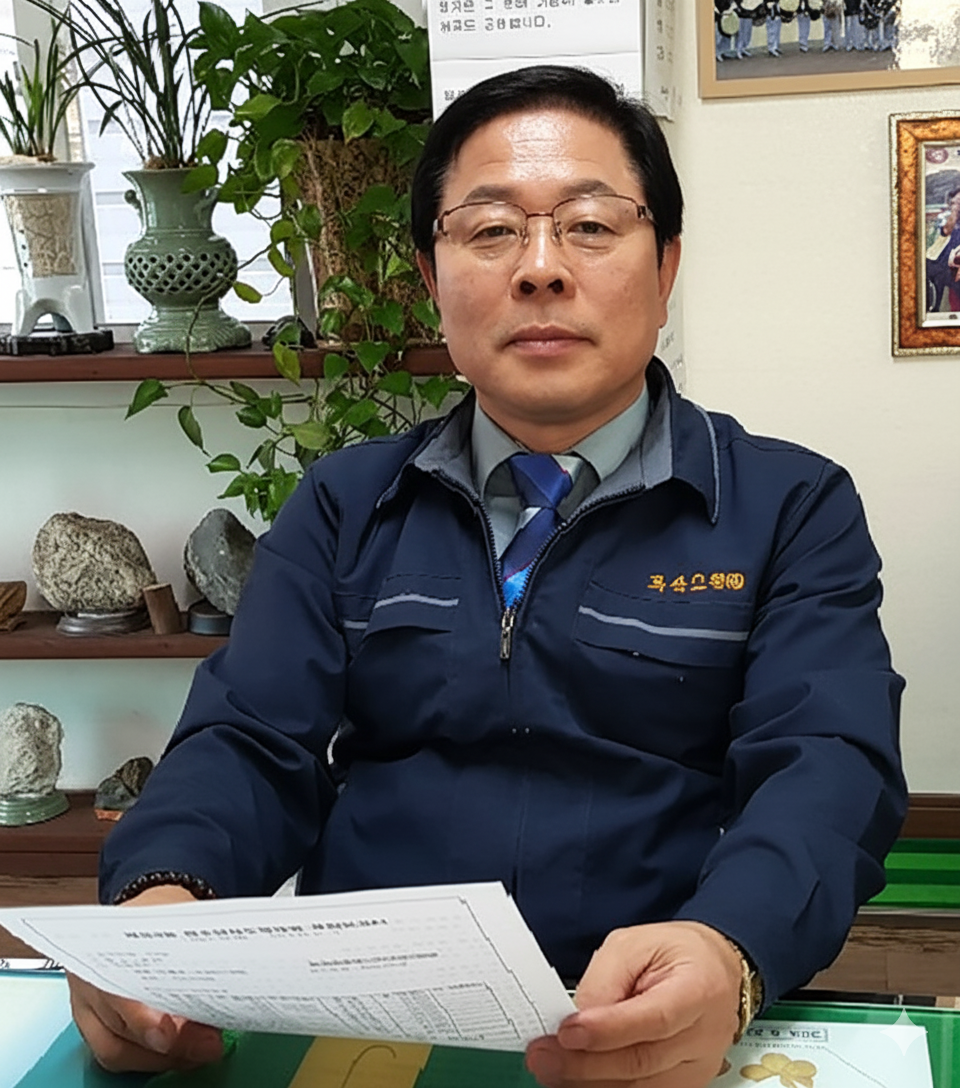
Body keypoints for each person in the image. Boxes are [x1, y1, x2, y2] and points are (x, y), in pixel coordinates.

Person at [69, 66, 907, 1088]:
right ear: (432, 278)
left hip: (643, 1007)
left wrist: (729, 948)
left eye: (590, 226)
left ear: (666, 266)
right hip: (365, 1020)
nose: (541, 269)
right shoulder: (345, 502)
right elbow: (248, 739)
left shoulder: (787, 505)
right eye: (491, 230)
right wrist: (159, 903)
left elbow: (825, 761)